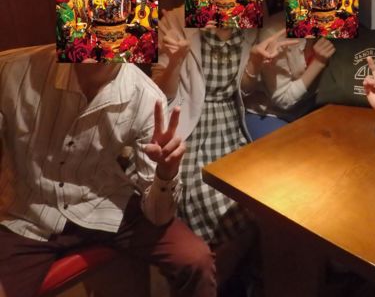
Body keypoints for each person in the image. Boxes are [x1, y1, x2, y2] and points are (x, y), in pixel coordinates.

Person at [0, 45, 215, 297]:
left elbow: (159, 217)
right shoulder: (11, 71)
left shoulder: (145, 95)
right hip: (25, 215)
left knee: (195, 258)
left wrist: (166, 172)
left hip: (102, 202)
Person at [153, 5, 297, 284]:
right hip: (192, 127)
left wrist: (254, 62)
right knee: (211, 199)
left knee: (259, 195)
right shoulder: (176, 20)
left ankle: (223, 278)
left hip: (231, 123)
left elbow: (242, 91)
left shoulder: (248, 20)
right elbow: (162, 94)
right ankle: (214, 279)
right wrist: (175, 61)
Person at [244, 11, 336, 139]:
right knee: (293, 147)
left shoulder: (333, 21)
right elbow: (282, 100)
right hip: (270, 113)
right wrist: (318, 62)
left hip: (308, 107)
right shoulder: (276, 32)